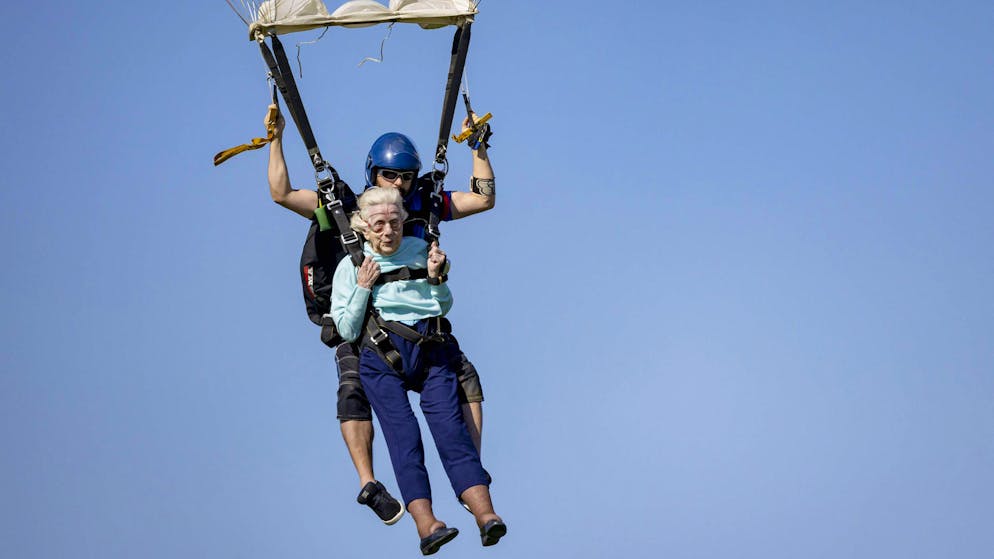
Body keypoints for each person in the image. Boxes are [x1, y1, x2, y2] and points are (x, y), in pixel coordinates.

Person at [266, 107, 496, 523]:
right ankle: (368, 483)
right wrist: (276, 140)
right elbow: (282, 194)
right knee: (353, 387)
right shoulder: (347, 208)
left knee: (465, 376)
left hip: (418, 322)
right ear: (374, 174)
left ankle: (469, 473)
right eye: (391, 176)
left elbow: (482, 198)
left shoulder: (422, 206)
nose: (400, 184)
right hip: (362, 320)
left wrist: (479, 148)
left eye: (407, 176)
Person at [331, 187, 506, 554]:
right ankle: (427, 525)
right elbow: (346, 331)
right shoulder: (350, 266)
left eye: (394, 223)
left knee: (451, 431)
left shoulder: (420, 251)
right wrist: (363, 287)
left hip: (430, 351)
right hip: (382, 359)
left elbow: (442, 304)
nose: (388, 231)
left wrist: (436, 277)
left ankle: (486, 515)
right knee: (404, 438)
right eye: (379, 225)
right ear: (364, 227)